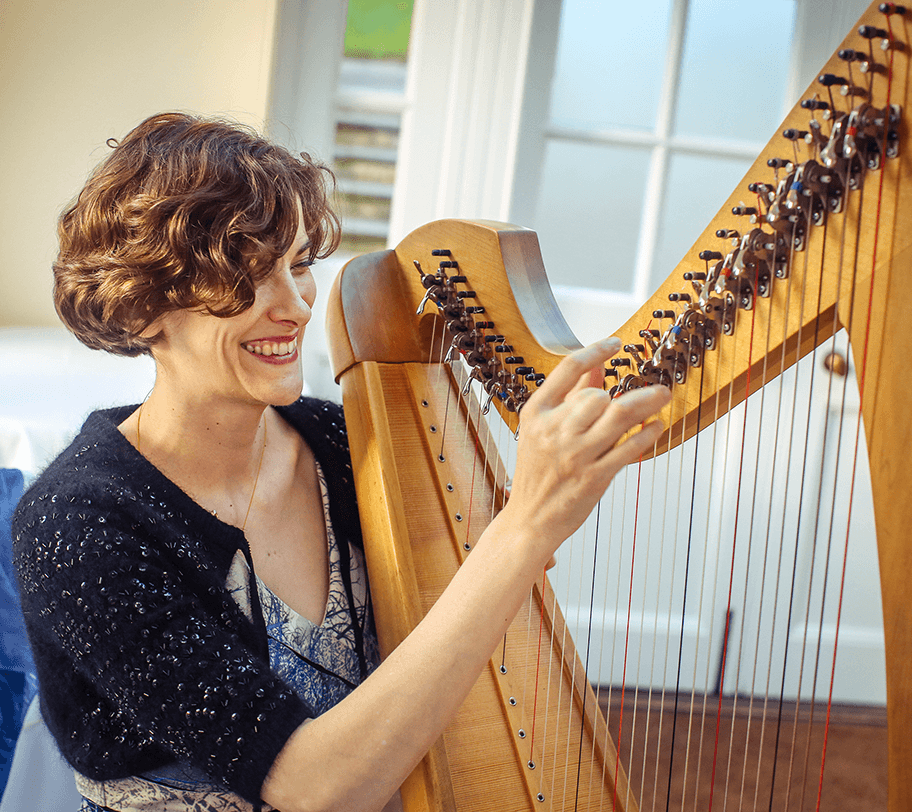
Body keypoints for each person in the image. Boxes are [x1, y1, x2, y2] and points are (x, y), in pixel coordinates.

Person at [12, 112, 671, 812]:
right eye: (245, 275)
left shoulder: (343, 442)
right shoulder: (75, 526)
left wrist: (525, 520)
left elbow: (475, 608)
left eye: (297, 264)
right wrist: (528, 525)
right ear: (142, 306)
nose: (294, 305)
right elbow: (312, 785)